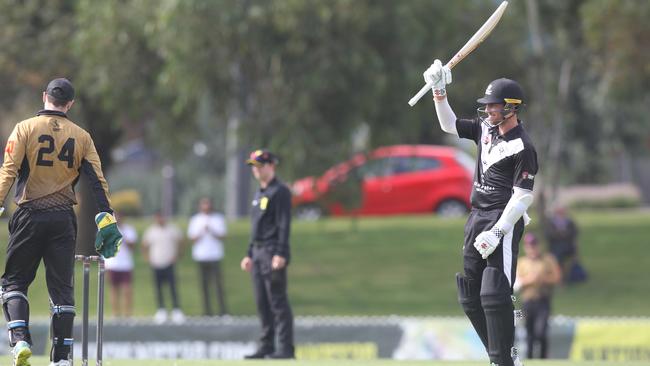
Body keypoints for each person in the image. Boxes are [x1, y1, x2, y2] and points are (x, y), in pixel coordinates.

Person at [0, 78, 122, 366]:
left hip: (29, 214)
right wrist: (107, 218)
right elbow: (96, 180)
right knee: (61, 290)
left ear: (45, 97)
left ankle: (19, 340)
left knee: (14, 281)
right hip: (63, 219)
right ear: (70, 104)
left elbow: (9, 171)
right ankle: (63, 358)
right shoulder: (82, 136)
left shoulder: (25, 128)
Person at [424, 60, 538, 366]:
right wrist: (438, 89)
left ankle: (505, 360)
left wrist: (498, 232)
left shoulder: (523, 146)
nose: (487, 111)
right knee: (470, 295)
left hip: (503, 221)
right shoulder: (485, 131)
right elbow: (449, 125)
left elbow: (523, 197)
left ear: (511, 108)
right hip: (476, 218)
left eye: (493, 106)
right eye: (486, 106)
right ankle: (501, 358)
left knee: (495, 294)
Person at [241, 149, 295, 359]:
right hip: (257, 252)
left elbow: (283, 225)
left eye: (260, 166)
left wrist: (280, 252)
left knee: (277, 301)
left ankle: (285, 348)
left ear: (271, 166)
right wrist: (248, 253)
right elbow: (256, 227)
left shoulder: (280, 191)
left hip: (273, 251)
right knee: (261, 302)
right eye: (253, 167)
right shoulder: (259, 193)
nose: (256, 171)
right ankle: (267, 345)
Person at [514, 233, 562, 359]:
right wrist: (530, 279)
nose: (532, 248)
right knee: (529, 333)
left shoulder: (548, 259)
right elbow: (516, 283)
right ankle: (530, 359)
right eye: (530, 246)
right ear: (526, 247)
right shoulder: (521, 262)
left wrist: (543, 279)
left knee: (541, 332)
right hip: (528, 301)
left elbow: (557, 277)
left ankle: (542, 359)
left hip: (543, 300)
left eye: (534, 245)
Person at [187, 197, 228, 316]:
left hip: (215, 255)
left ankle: (222, 311)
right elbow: (192, 238)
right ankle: (207, 311)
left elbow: (222, 236)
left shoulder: (218, 218)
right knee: (204, 285)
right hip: (201, 256)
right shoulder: (195, 220)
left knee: (218, 284)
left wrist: (212, 230)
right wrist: (201, 231)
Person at [141, 211, 185, 324]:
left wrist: (177, 255)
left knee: (173, 288)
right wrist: (147, 258)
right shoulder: (151, 231)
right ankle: (161, 310)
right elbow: (144, 245)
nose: (160, 220)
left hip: (169, 263)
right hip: (156, 263)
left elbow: (181, 241)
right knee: (158, 288)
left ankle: (176, 310)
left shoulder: (172, 229)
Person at [105, 212, 138, 317]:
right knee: (114, 289)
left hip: (125, 264)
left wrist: (123, 237)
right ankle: (115, 313)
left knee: (127, 290)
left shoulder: (129, 230)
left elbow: (132, 247)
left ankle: (127, 313)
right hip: (112, 264)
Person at [543, 206, 582, 283]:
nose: (561, 214)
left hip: (568, 247)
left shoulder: (570, 223)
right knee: (557, 256)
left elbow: (573, 234)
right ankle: (559, 278)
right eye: (559, 212)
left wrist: (561, 234)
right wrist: (562, 234)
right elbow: (549, 236)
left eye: (562, 212)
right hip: (555, 248)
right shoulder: (551, 223)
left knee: (561, 255)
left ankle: (563, 278)